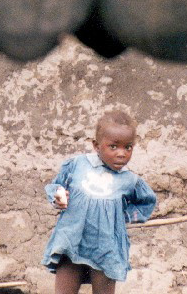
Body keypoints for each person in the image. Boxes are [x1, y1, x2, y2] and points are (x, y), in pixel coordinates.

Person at [41, 111, 157, 294]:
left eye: (128, 147)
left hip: (106, 249)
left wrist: (121, 216)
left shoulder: (129, 180)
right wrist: (58, 196)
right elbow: (56, 185)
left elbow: (147, 203)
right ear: (96, 146)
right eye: (113, 146)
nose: (121, 154)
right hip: (71, 243)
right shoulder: (78, 165)